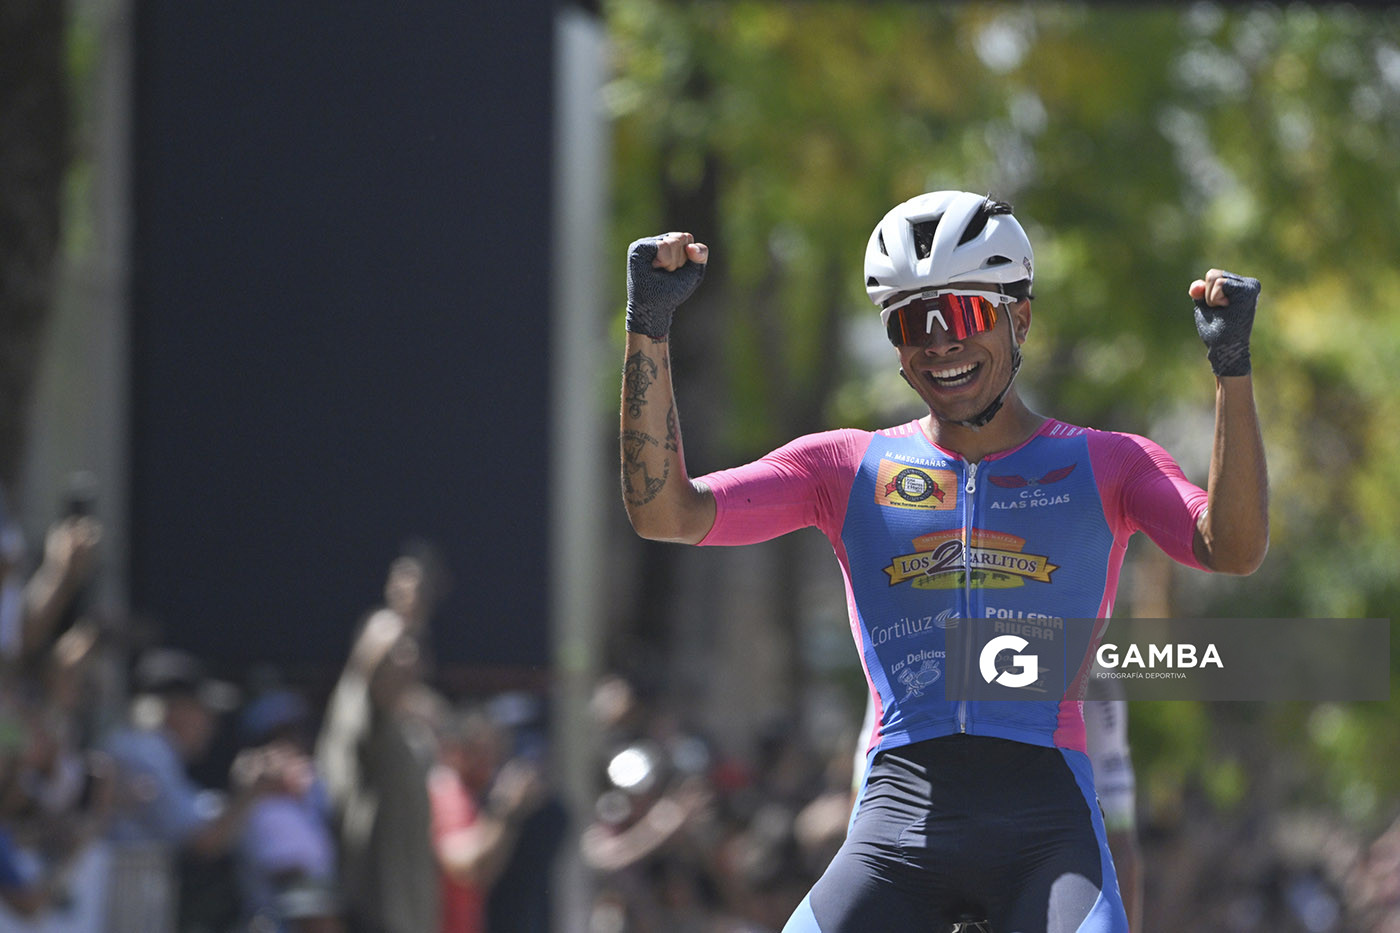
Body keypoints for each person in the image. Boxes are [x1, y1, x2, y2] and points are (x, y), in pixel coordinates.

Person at [618, 190, 1268, 932]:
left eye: (958, 316)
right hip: (897, 830)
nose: (938, 346)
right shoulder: (845, 467)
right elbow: (665, 511)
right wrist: (650, 327)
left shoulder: (1108, 463)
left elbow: (1233, 546)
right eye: (911, 324)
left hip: (1047, 833)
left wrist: (1232, 371)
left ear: (1018, 317)